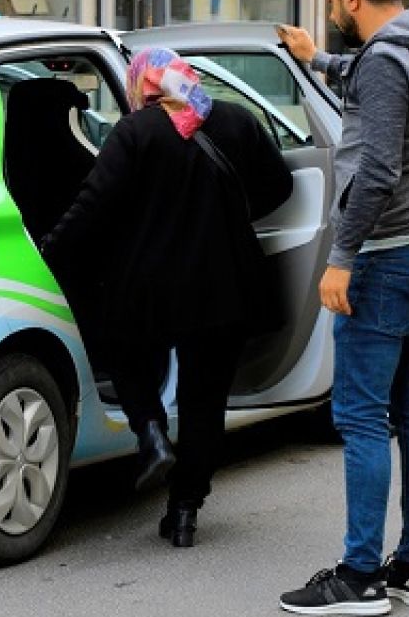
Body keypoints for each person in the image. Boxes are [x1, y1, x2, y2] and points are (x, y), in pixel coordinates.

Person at [275, 0, 409, 616]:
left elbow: (378, 166)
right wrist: (313, 57)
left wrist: (342, 256)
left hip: (387, 260)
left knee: (360, 416)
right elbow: (372, 79)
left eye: (332, 0)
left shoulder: (386, 63)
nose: (334, 9)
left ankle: (358, 576)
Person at [40, 47, 293, 547]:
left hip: (150, 286)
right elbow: (280, 185)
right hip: (225, 288)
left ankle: (151, 430)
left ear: (142, 85)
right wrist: (231, 214)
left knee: (124, 352)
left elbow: (93, 204)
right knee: (205, 401)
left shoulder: (135, 133)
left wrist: (50, 250)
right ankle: (184, 511)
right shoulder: (238, 121)